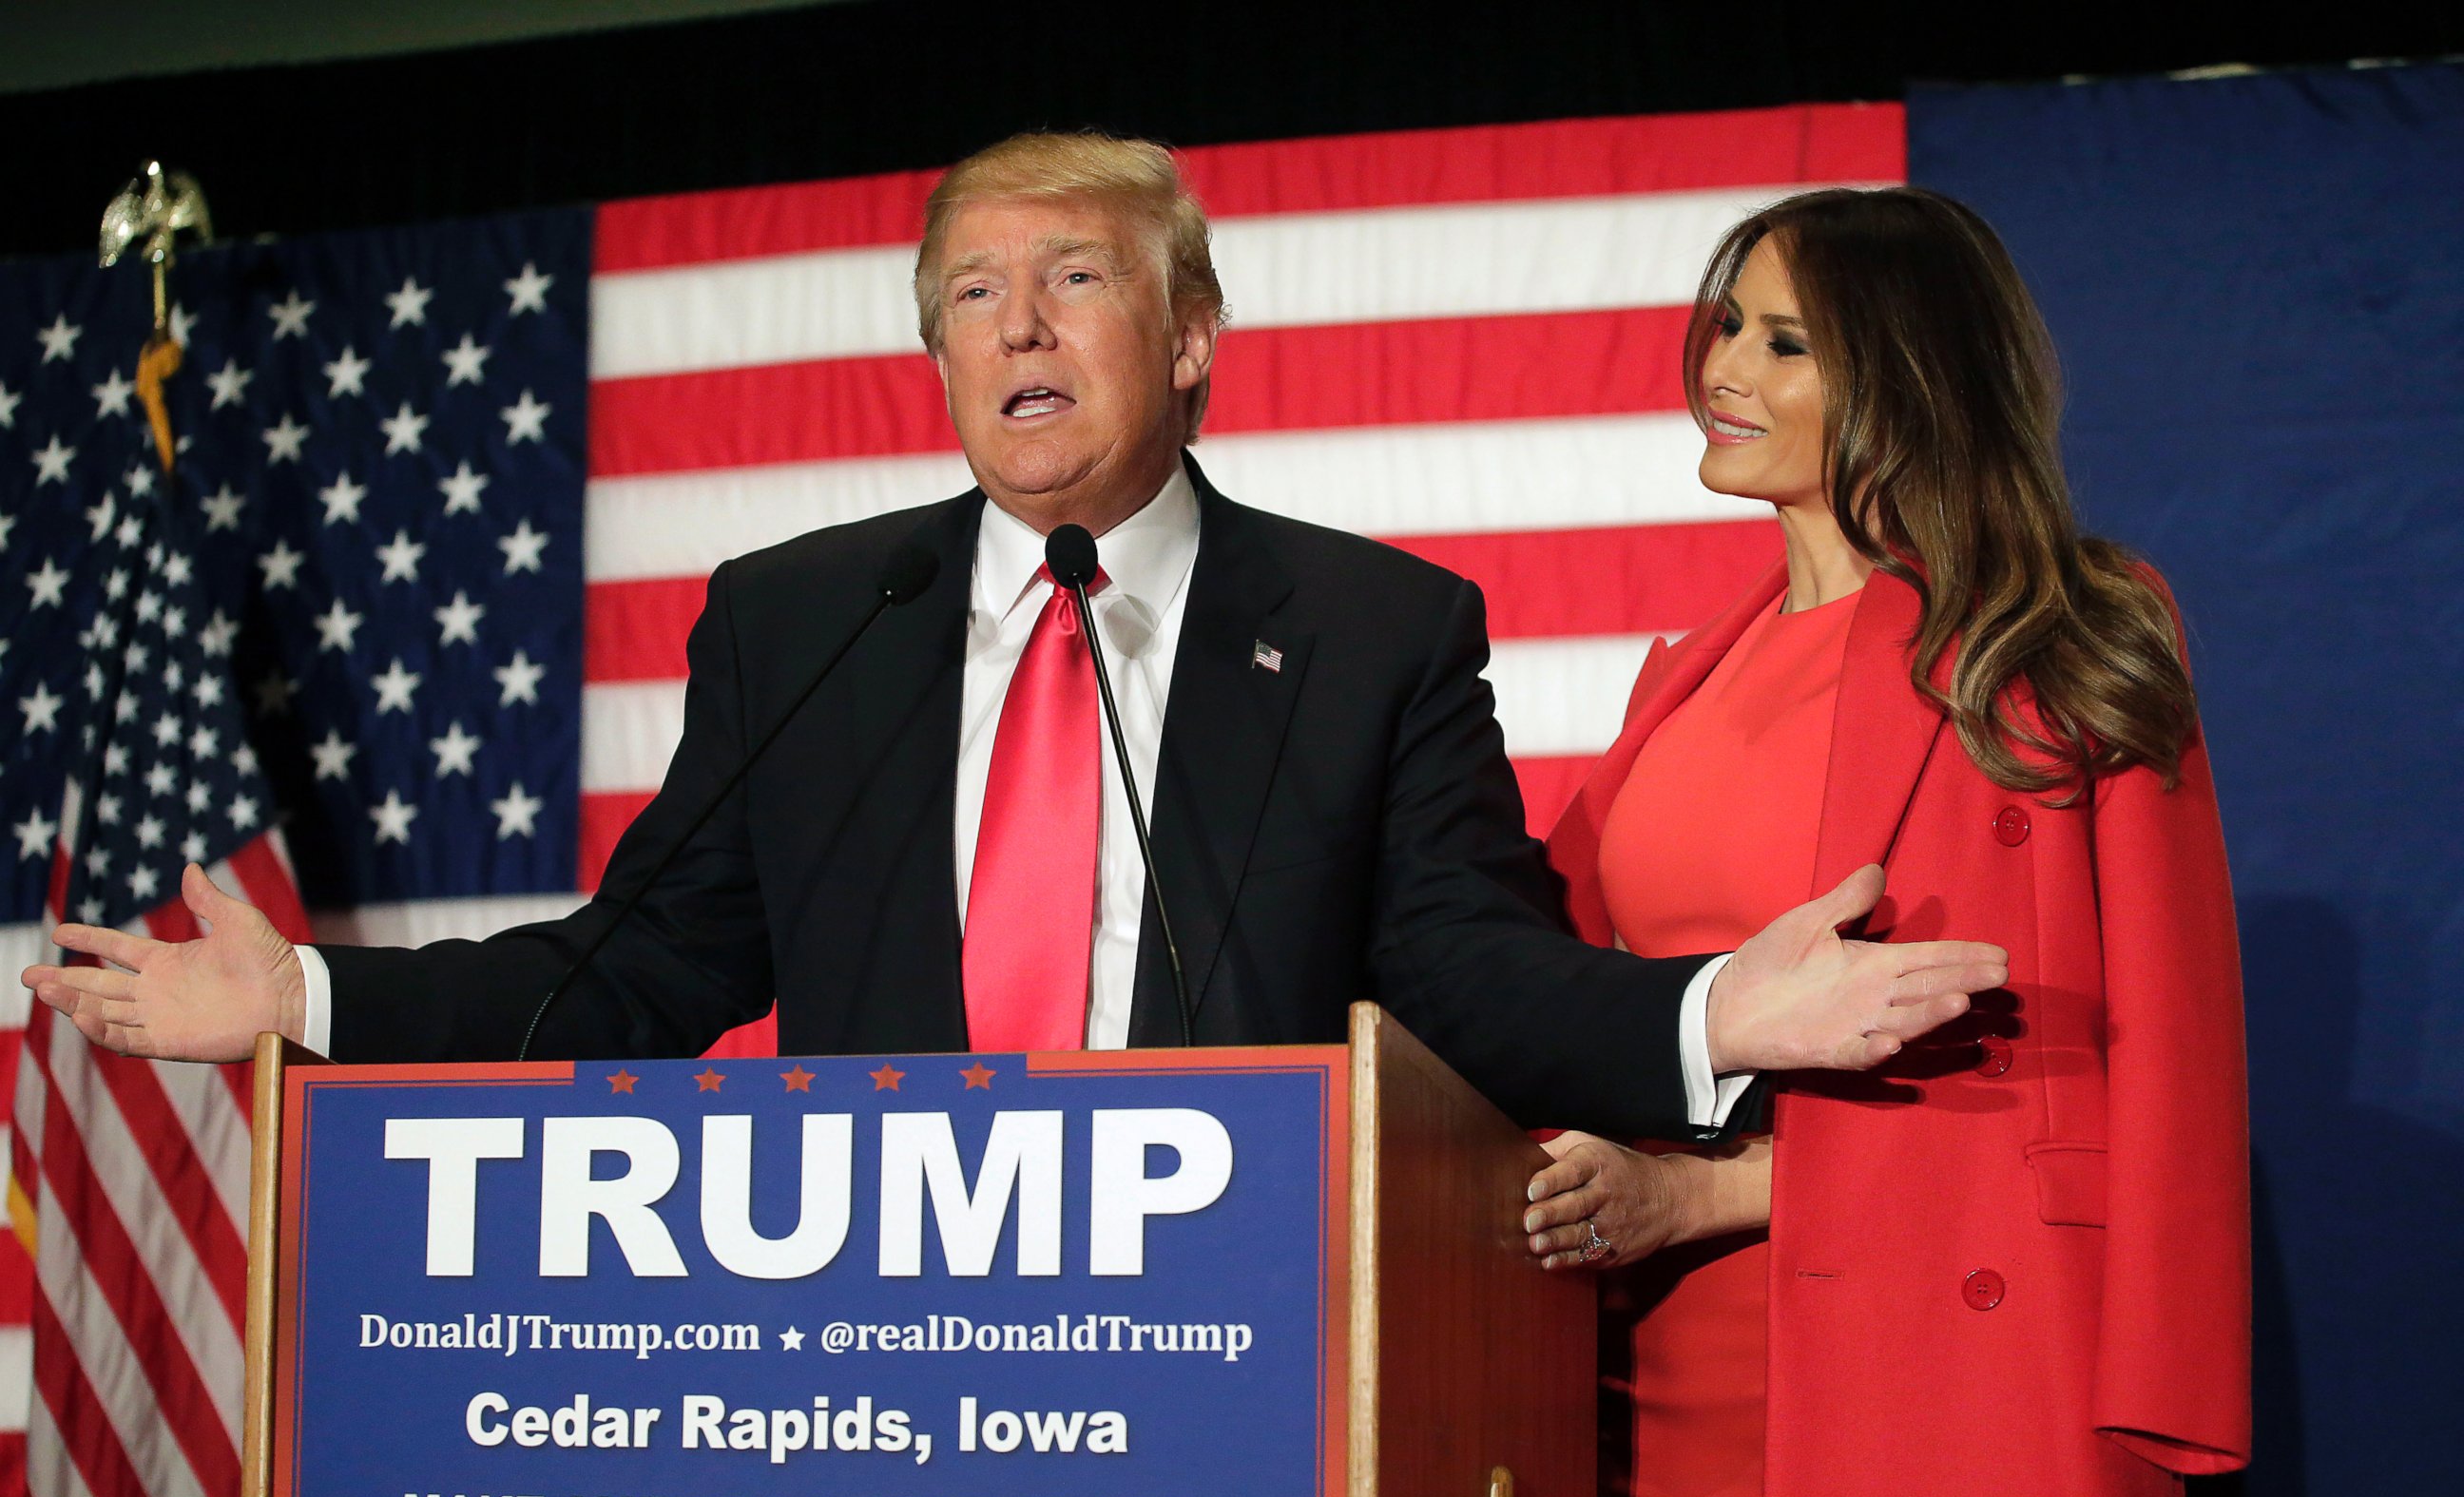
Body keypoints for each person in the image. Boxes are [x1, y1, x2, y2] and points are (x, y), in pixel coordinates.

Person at [23, 135, 2003, 1143]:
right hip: (898, 1377)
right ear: (936, 353)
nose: (1022, 329)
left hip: (1234, 1383)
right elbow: (642, 971)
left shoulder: (1372, 629)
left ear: (1192, 337)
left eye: (1073, 281)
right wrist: (302, 1001)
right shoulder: (803, 620)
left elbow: (1469, 971)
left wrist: (1701, 1018)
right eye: (973, 294)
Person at [1518, 187, 2249, 1497]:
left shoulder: (2063, 635)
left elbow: (2147, 1049)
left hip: (1956, 1361)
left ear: (1909, 378)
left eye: (1785, 345)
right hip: (1662, 1367)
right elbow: (1569, 997)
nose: (1722, 369)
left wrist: (1710, 1194)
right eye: (1729, 324)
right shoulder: (1683, 677)